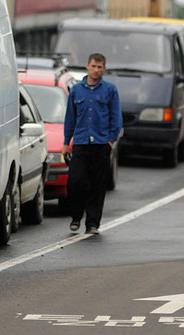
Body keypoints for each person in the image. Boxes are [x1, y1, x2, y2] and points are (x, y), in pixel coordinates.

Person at [61, 53, 122, 235]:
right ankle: (76, 215)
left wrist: (110, 140)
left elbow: (116, 117)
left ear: (104, 69)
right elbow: (70, 118)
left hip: (101, 144)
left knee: (97, 184)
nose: (96, 70)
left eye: (100, 67)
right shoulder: (76, 90)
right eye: (93, 66)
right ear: (87, 66)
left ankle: (93, 223)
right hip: (81, 142)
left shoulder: (110, 90)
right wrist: (66, 142)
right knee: (75, 181)